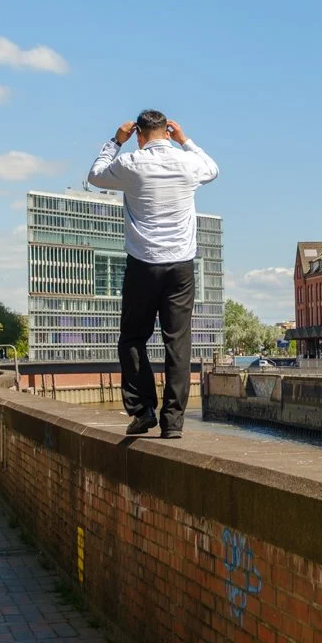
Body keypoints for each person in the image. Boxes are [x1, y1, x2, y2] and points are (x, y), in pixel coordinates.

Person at [87, 110, 219, 439]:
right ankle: (173, 422)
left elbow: (96, 175)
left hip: (143, 264)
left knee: (133, 339)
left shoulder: (130, 162)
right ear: (167, 131)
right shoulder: (188, 164)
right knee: (178, 343)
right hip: (181, 265)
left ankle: (143, 408)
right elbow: (213, 168)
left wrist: (115, 141)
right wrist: (185, 140)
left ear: (138, 135)